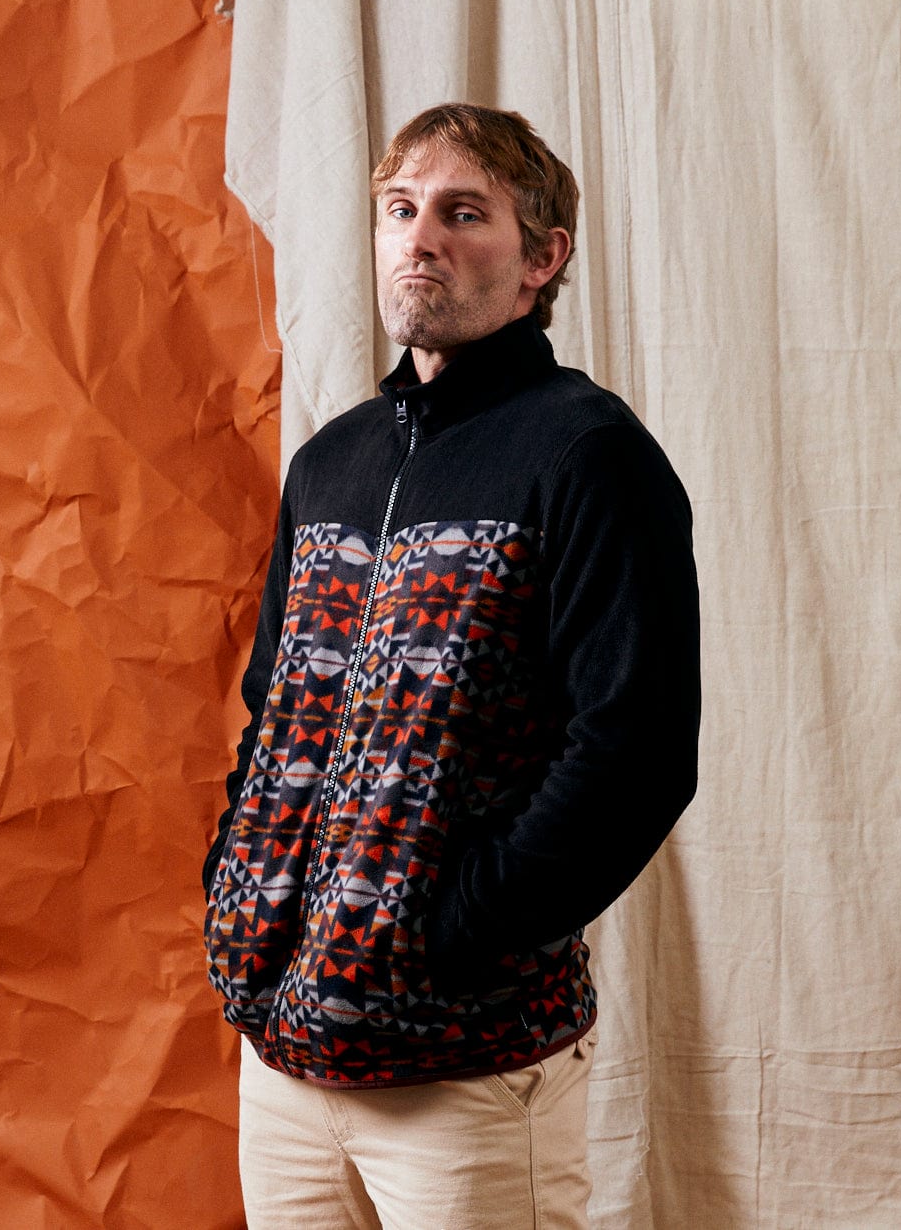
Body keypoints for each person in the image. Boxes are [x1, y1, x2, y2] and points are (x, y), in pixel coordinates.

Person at [203, 103, 700, 1229]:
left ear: (541, 260)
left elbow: (636, 751)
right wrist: (240, 890)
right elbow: (271, 712)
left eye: (462, 213)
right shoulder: (332, 462)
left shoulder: (587, 457)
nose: (419, 236)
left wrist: (449, 930)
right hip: (282, 1059)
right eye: (400, 208)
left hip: (461, 1073)